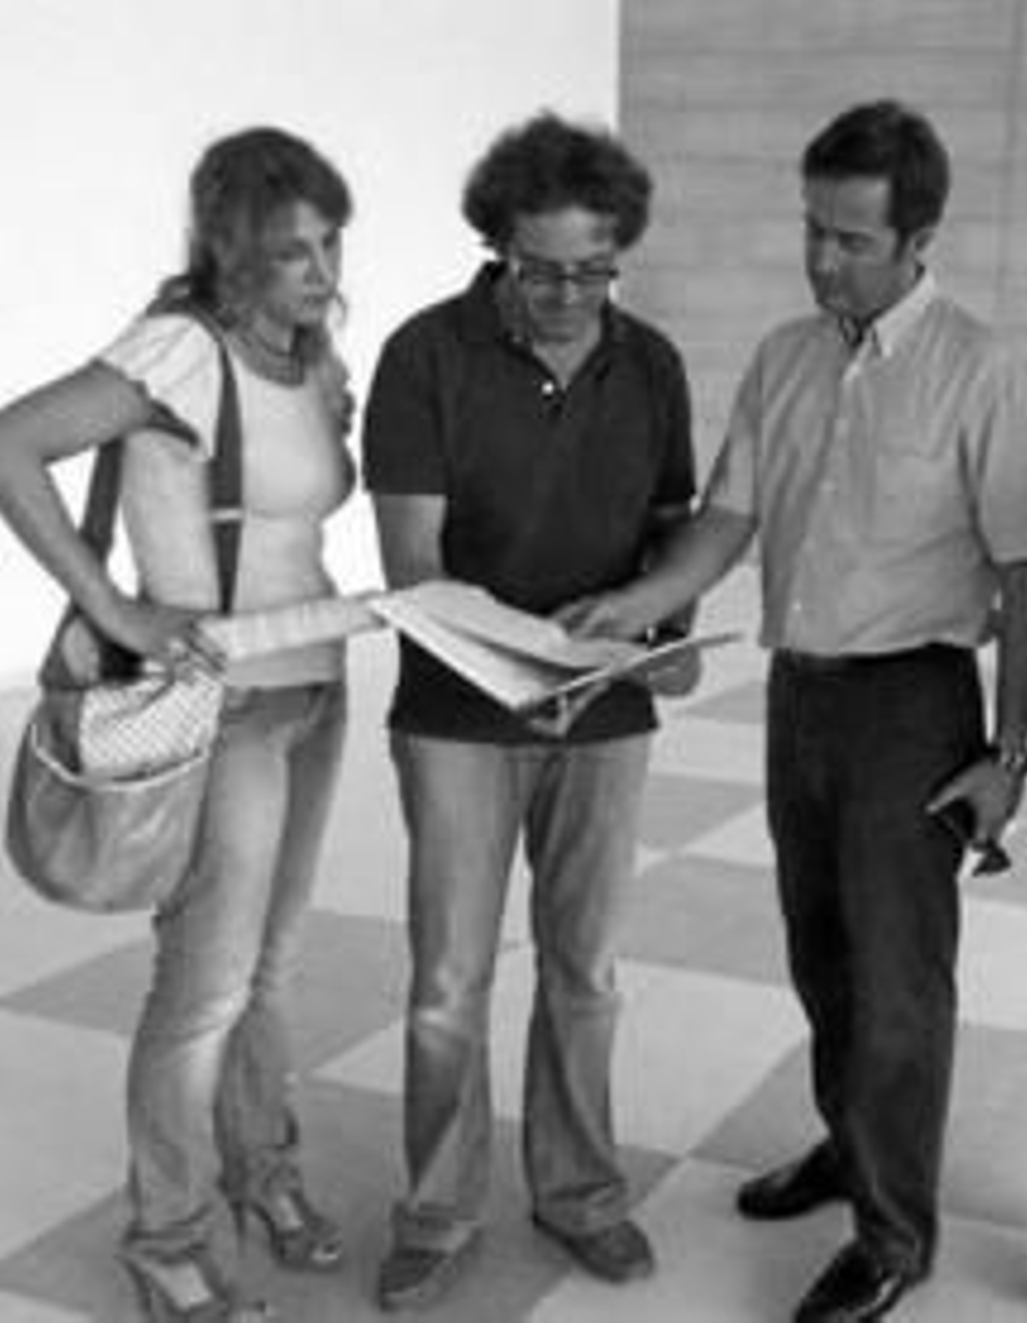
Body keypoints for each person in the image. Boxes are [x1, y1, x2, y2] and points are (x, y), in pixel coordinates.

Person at [564, 98, 1027, 1322]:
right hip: (799, 696)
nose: (822, 259)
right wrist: (635, 606)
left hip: (913, 704)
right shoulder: (784, 358)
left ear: (918, 241)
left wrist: (1011, 756)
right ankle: (851, 1144)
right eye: (812, 231)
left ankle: (894, 1237)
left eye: (851, 240)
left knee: (899, 981)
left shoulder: (982, 370)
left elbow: (1024, 571)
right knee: (821, 952)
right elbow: (727, 522)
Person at [0, 127, 355, 1320]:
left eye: (330, 243)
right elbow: (10, 441)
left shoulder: (306, 352)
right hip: (223, 705)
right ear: (231, 250)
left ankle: (264, 1172)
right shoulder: (178, 349)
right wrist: (116, 609)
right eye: (294, 252)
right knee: (205, 987)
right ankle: (166, 1237)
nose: (322, 271)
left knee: (272, 971)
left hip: (313, 687)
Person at [361, 112, 696, 1311]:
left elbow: (670, 531)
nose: (566, 296)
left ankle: (580, 1196)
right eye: (539, 268)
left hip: (601, 715)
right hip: (457, 714)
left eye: (593, 270)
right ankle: (438, 1210)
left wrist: (661, 637)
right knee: (448, 979)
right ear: (496, 245)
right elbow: (413, 568)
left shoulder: (650, 364)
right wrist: (525, 670)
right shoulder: (424, 356)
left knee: (585, 969)